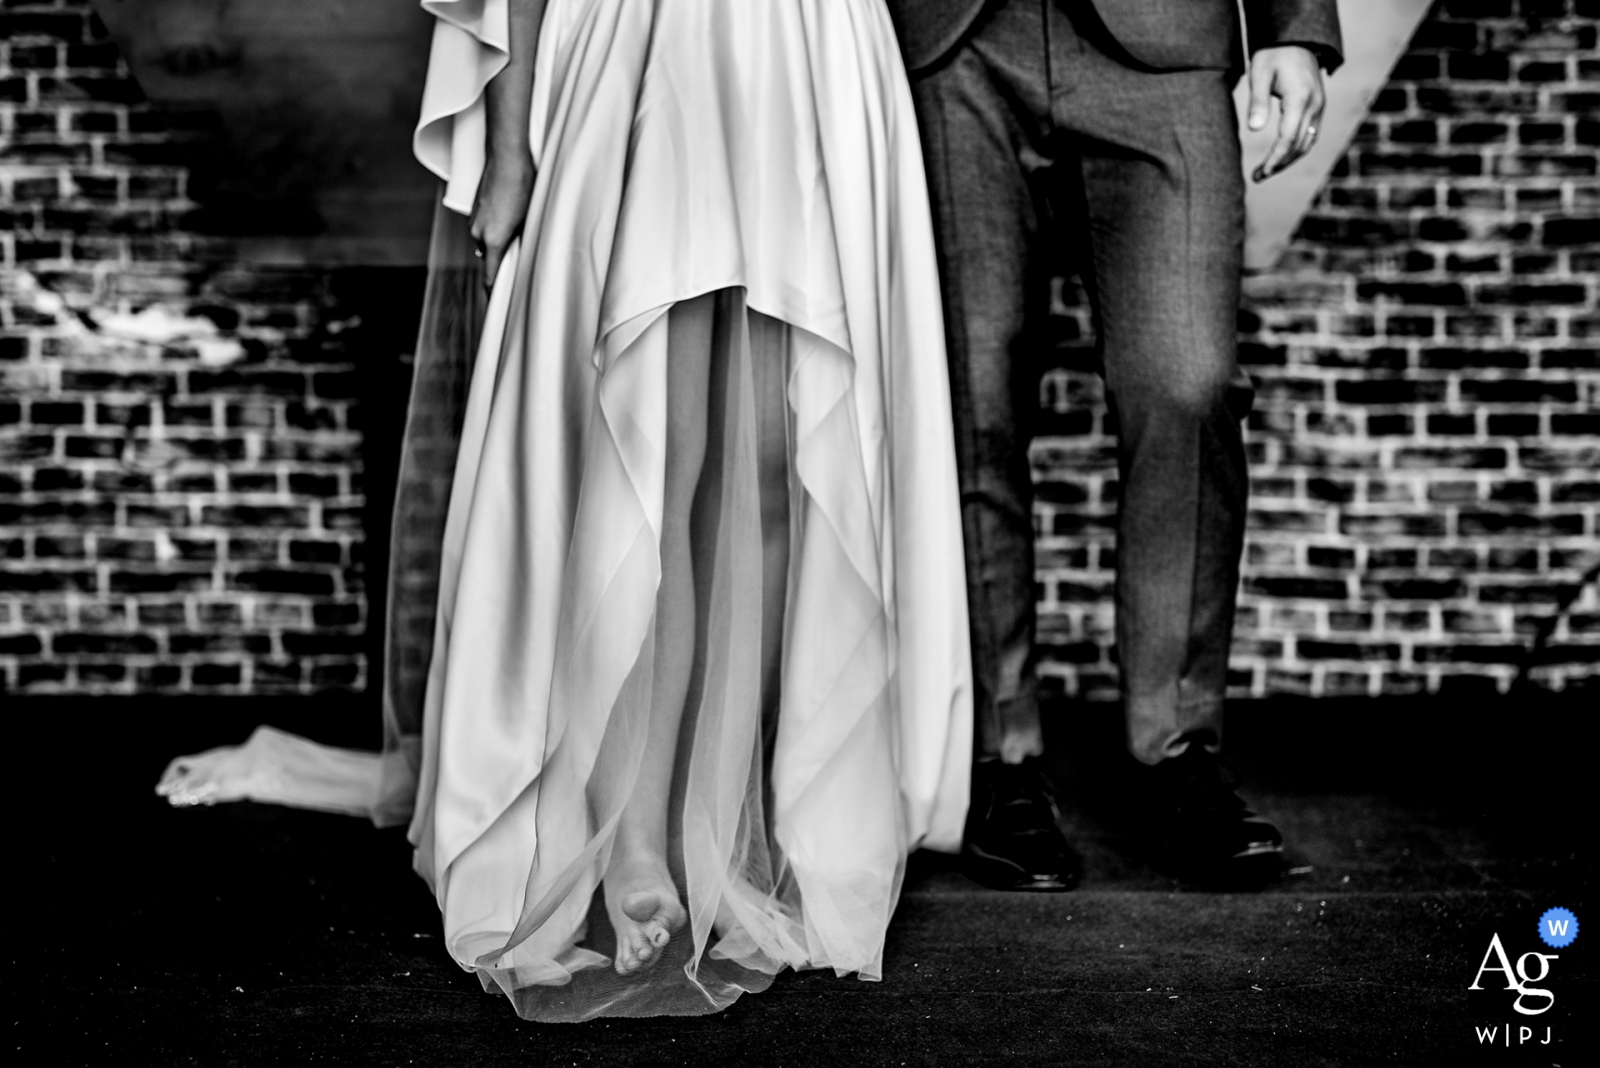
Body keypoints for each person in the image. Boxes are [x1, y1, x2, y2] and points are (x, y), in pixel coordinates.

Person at [158, 0, 974, 1021]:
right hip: (642, 49)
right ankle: (633, 839)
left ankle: (728, 816)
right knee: (654, 450)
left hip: (810, 46)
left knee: (779, 469)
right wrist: (509, 147)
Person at [882, 0, 1342, 890]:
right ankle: (997, 758)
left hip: (1162, 34)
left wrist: (1295, 23)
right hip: (953, 37)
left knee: (1189, 383)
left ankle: (1178, 753)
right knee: (971, 403)